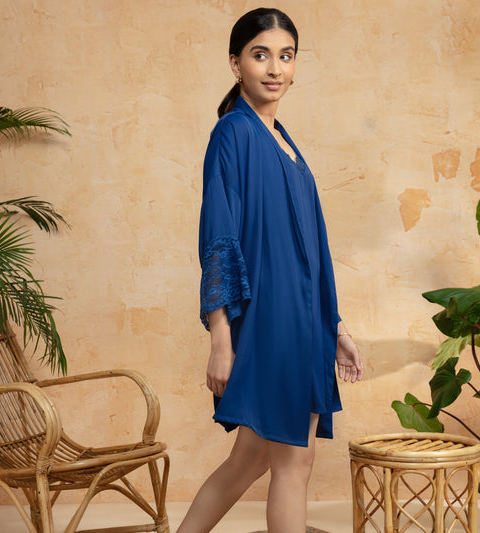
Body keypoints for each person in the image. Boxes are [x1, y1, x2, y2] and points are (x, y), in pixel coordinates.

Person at [177, 8, 363, 533]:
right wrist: (220, 339)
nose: (275, 68)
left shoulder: (284, 140)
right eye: (261, 55)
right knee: (293, 462)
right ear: (236, 63)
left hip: (305, 325)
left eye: (286, 56)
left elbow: (312, 247)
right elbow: (219, 236)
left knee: (251, 459)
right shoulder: (233, 133)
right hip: (271, 321)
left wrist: (335, 328)